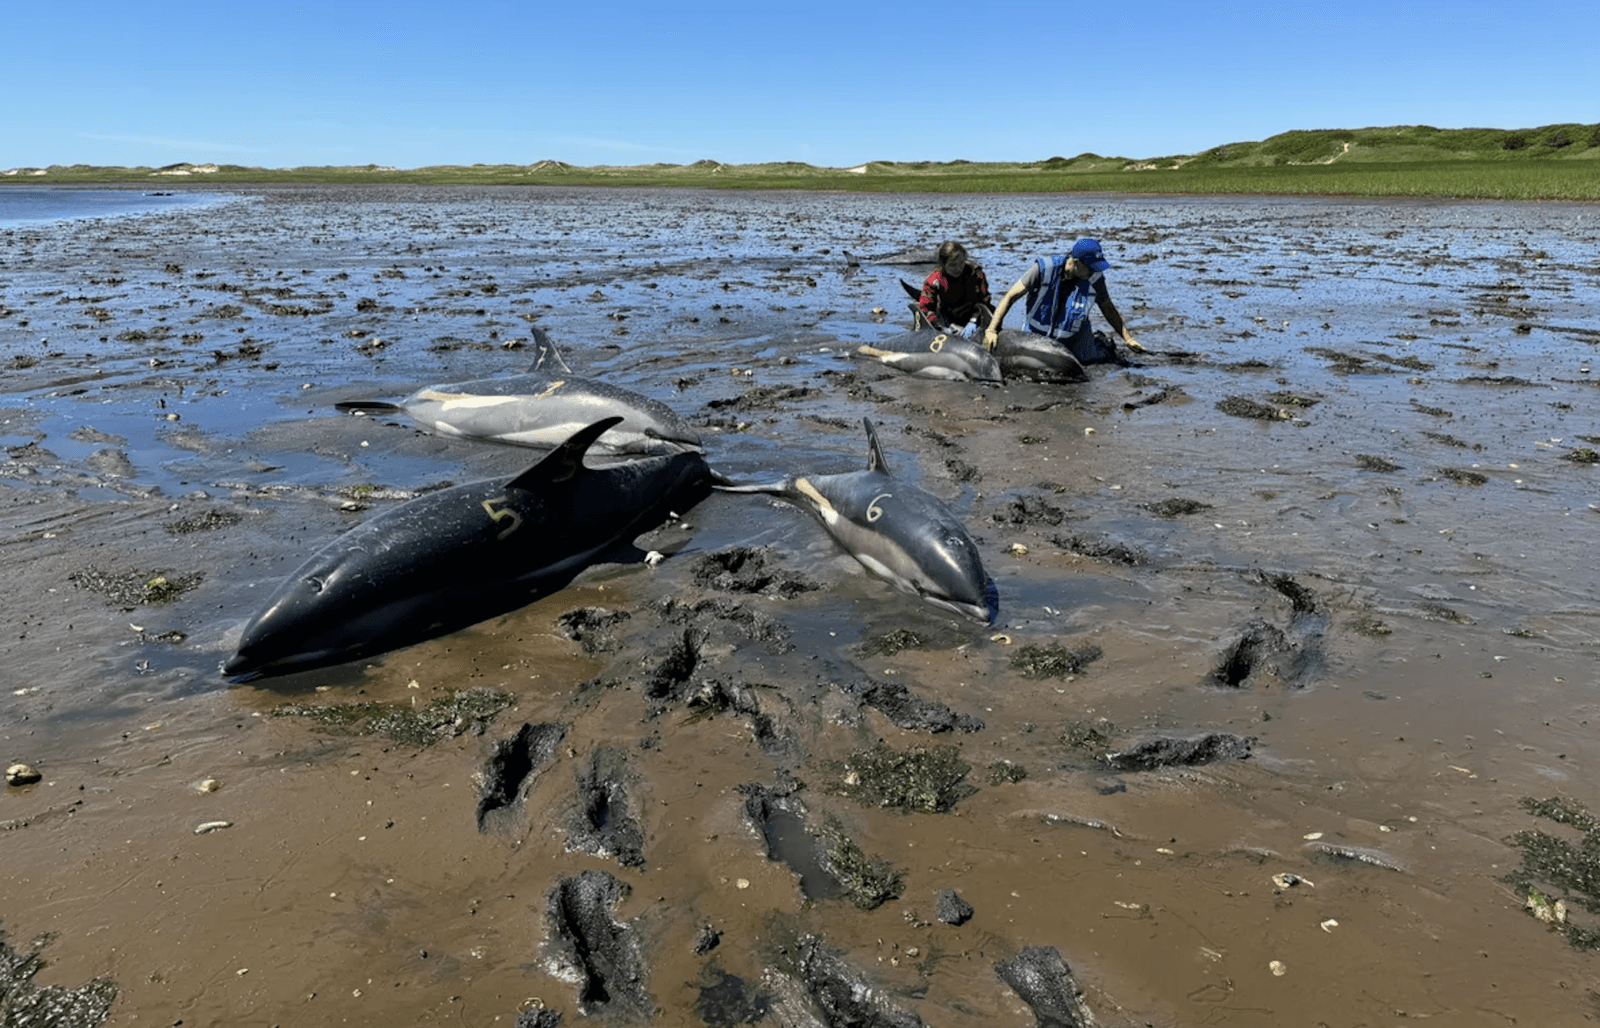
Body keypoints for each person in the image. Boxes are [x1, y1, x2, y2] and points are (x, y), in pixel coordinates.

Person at [983, 237, 1144, 356]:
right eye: (1090, 268)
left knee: (1090, 360)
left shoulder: (1095, 278)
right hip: (1037, 333)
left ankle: (1098, 342)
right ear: (1076, 262)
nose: (1093, 272)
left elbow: (1108, 308)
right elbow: (1010, 297)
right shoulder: (1043, 269)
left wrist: (1128, 338)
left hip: (1074, 336)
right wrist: (992, 329)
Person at [916, 241, 992, 336]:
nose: (958, 268)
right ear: (943, 265)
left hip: (973, 313)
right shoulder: (934, 280)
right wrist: (940, 327)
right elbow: (926, 309)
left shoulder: (976, 274)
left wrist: (974, 321)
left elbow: (984, 301)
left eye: (961, 263)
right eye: (953, 265)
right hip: (947, 316)